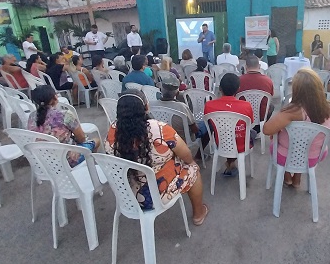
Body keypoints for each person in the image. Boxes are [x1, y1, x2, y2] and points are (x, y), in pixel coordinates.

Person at [104, 89, 209, 225]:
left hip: (126, 193)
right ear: (146, 107)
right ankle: (198, 214)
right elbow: (187, 155)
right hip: (156, 195)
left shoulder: (112, 130)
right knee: (193, 168)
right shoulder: (159, 129)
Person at [263, 68, 330, 188]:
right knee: (304, 142)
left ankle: (287, 176)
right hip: (315, 156)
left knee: (276, 140)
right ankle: (297, 178)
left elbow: (267, 129)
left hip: (287, 157)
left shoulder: (293, 111)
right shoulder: (327, 108)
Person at [28, 85, 99, 167]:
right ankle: (90, 168)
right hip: (67, 160)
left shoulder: (31, 117)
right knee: (96, 141)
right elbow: (82, 138)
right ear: (54, 98)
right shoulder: (64, 115)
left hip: (45, 160)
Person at [204, 73, 254, 177]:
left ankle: (230, 163)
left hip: (220, 143)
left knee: (224, 131)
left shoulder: (209, 105)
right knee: (251, 132)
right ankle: (231, 163)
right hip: (242, 146)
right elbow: (250, 123)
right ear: (238, 89)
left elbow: (210, 124)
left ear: (220, 89)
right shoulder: (246, 106)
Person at [151, 78, 205, 143]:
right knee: (206, 125)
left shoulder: (151, 105)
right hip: (182, 140)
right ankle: (199, 152)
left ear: (160, 90)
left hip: (161, 138)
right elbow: (194, 129)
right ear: (176, 93)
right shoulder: (182, 107)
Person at [239, 54, 274, 124]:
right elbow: (271, 96)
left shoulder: (238, 81)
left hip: (244, 116)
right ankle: (261, 127)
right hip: (262, 116)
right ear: (259, 66)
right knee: (271, 106)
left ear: (246, 67)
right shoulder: (268, 81)